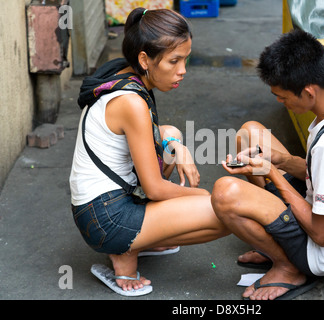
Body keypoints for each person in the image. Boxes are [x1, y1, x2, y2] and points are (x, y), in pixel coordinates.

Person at [69, 8, 229, 296]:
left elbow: (155, 141)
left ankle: (144, 237)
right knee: (223, 212)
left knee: (170, 135)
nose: (183, 70)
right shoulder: (131, 102)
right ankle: (124, 252)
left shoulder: (124, 73)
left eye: (185, 59)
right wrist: (205, 197)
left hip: (100, 206)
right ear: (145, 59)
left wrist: (175, 146)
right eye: (174, 61)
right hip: (105, 218)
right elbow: (155, 189)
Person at [211, 29, 324, 300]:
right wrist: (279, 160)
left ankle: (288, 267)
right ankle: (273, 245)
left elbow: (321, 234)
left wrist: (274, 174)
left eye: (283, 97)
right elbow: (319, 173)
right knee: (250, 132)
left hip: (322, 251)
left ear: (308, 92)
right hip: (323, 202)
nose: (280, 103)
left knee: (225, 193)